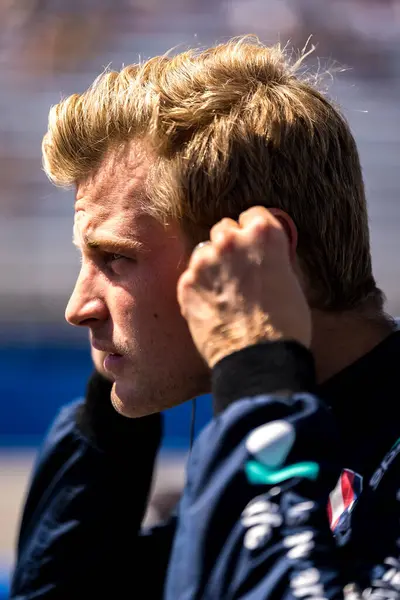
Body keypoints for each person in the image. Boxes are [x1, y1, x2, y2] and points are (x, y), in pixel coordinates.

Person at [10, 37, 400, 598]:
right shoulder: (269, 425)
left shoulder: (269, 421)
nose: (76, 309)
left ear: (256, 252)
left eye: (115, 257)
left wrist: (254, 368)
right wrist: (117, 412)